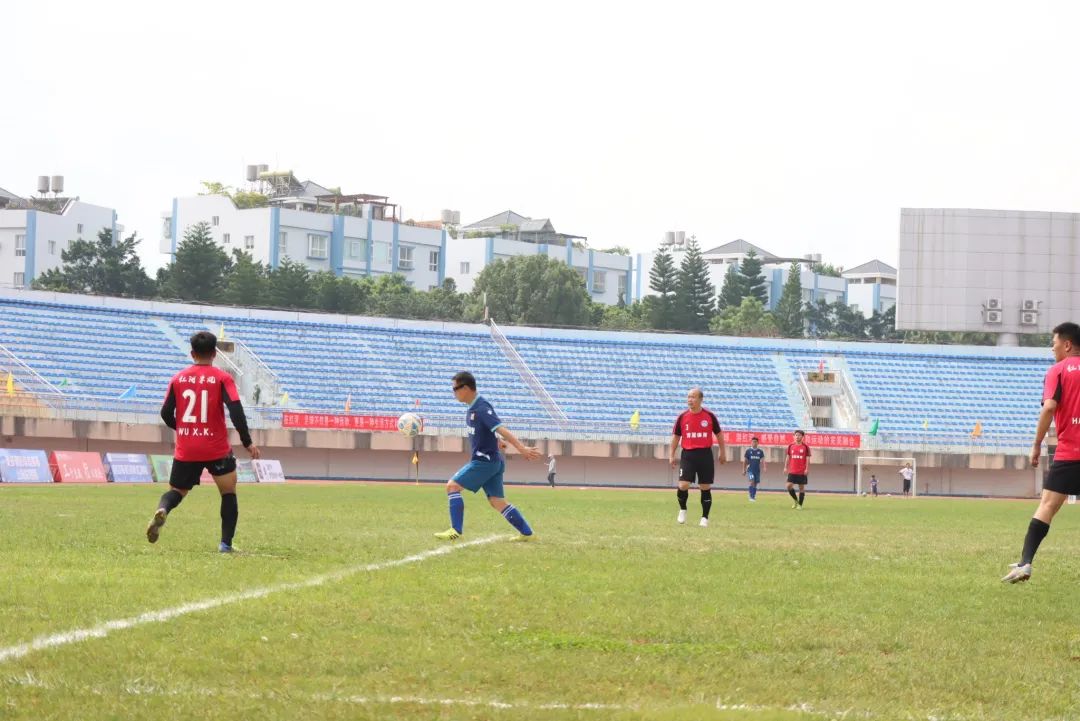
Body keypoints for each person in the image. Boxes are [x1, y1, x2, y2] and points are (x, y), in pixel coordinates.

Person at [146, 331, 261, 552]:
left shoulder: (178, 378)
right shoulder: (222, 378)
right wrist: (247, 442)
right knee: (228, 492)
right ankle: (225, 545)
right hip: (216, 448)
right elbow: (236, 410)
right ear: (214, 353)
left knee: (177, 491)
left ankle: (163, 509)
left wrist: (184, 429)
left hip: (187, 448)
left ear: (192, 353)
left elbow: (165, 413)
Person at [1003, 322, 1080, 583]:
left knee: (1047, 506)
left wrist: (1037, 444)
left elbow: (1049, 407)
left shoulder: (1057, 371)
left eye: (1054, 343)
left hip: (1070, 453)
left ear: (1067, 345)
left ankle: (1025, 563)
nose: (1052, 348)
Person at [435, 371, 540, 541]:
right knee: (497, 501)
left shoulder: (481, 407)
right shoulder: (472, 408)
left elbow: (500, 427)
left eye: (455, 389)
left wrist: (521, 448)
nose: (453, 393)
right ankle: (527, 534)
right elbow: (487, 430)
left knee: (452, 486)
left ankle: (455, 530)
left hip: (484, 462)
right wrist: (496, 441)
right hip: (493, 461)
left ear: (466, 388)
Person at [670, 388, 727, 527]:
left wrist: (722, 452)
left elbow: (719, 434)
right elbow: (676, 437)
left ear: (701, 399)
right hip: (688, 454)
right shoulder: (682, 417)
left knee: (705, 486)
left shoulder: (709, 416)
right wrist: (671, 455)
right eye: (688, 397)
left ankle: (704, 518)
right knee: (683, 485)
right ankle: (683, 509)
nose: (690, 400)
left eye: (693, 397)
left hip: (705, 454)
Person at [785, 430, 811, 509]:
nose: (797, 437)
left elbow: (808, 459)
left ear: (802, 437)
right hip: (792, 470)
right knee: (788, 486)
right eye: (796, 435)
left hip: (801, 471)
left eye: (799, 435)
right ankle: (796, 501)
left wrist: (807, 469)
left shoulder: (805, 447)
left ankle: (800, 505)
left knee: (801, 488)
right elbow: (788, 457)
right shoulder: (791, 446)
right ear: (794, 436)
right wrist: (785, 467)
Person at [743, 437, 766, 502]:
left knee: (755, 484)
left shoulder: (760, 451)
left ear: (758, 443)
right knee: (752, 481)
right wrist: (744, 469)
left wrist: (764, 467)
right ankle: (751, 496)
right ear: (751, 442)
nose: (754, 443)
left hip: (757, 470)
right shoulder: (748, 451)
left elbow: (763, 460)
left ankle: (753, 496)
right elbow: (745, 461)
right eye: (753, 441)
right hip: (750, 470)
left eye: (755, 442)